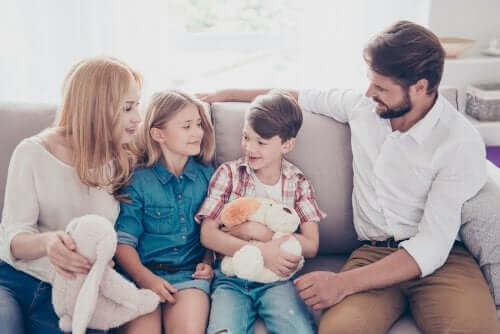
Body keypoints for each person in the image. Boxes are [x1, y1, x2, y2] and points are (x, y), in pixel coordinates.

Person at [198, 21, 499, 334]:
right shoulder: (362, 107)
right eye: (370, 82)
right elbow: (294, 96)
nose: (370, 93)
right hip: (372, 252)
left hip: (443, 261)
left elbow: (432, 246)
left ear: (420, 87)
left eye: (381, 88)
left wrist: (341, 283)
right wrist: (228, 93)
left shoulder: (458, 142)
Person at [0, 56, 142, 334]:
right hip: (15, 279)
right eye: (128, 108)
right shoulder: (33, 152)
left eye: (137, 105)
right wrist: (48, 242)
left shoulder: (125, 158)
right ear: (97, 107)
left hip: (76, 292)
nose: (137, 117)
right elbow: (12, 237)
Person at [195, 90, 325, 334]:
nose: (249, 147)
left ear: (287, 144)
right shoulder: (229, 174)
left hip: (277, 280)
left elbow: (311, 244)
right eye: (246, 137)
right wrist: (259, 250)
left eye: (261, 142)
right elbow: (209, 236)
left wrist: (259, 233)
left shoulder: (297, 182)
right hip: (231, 279)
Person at [114, 90, 216, 334]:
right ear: (159, 134)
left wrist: (207, 262)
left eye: (199, 124)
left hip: (188, 277)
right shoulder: (137, 181)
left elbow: (215, 232)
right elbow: (123, 243)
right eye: (187, 126)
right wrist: (146, 280)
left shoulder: (209, 176)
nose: (197, 132)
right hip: (140, 278)